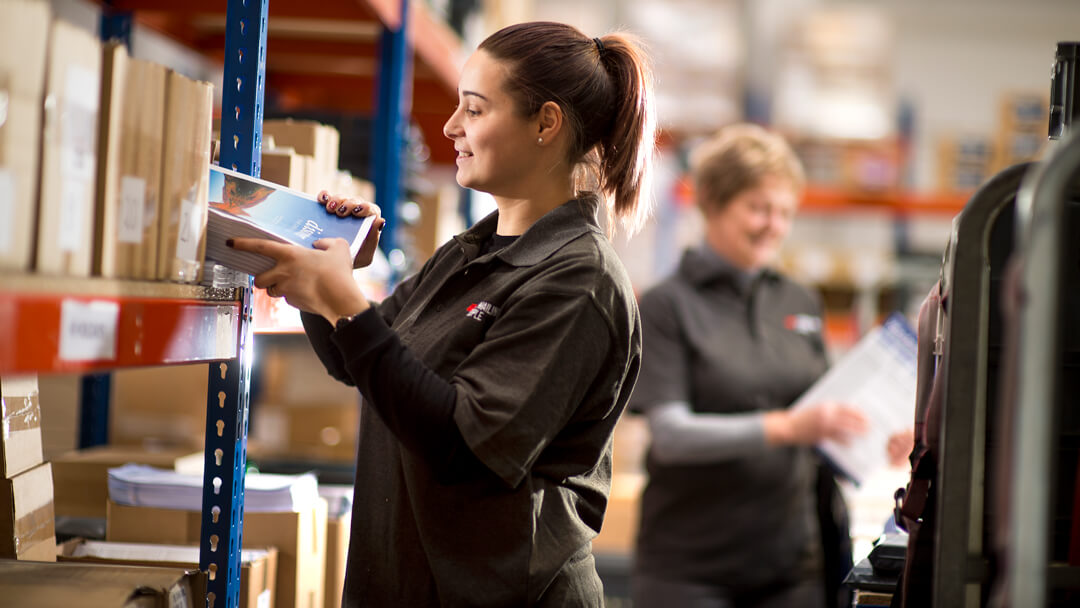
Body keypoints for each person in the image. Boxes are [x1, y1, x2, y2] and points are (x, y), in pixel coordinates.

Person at [230, 21, 657, 607]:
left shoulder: (579, 282)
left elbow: (463, 447)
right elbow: (355, 362)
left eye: (475, 110)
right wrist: (323, 259)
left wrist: (349, 304)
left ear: (546, 124)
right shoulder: (472, 251)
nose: (451, 127)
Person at [629, 123, 870, 608]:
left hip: (791, 567)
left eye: (784, 211)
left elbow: (822, 414)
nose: (773, 225)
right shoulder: (666, 306)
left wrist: (875, 431)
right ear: (713, 204)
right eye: (758, 208)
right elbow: (673, 436)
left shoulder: (799, 300)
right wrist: (786, 428)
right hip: (691, 573)